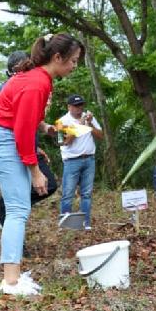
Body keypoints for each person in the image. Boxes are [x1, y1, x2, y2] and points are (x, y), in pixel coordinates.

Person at [0, 33, 84, 296]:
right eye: (72, 61)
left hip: (3, 135)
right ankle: (11, 282)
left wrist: (49, 129)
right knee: (17, 209)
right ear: (57, 57)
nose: (74, 66)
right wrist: (35, 171)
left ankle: (12, 277)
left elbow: (27, 117)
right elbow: (22, 131)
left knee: (19, 207)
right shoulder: (38, 82)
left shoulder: (39, 79)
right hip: (2, 137)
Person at [0, 51, 58, 229]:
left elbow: (29, 121)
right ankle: (3, 207)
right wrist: (34, 168)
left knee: (26, 199)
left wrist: (39, 140)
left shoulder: (33, 83)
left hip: (24, 145)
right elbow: (19, 125)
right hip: (11, 145)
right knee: (18, 204)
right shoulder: (16, 85)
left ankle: (6, 211)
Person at [58, 94, 103, 230]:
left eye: (81, 105)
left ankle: (85, 223)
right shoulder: (62, 121)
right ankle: (65, 225)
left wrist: (89, 124)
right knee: (68, 194)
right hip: (72, 161)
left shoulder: (89, 117)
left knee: (87, 193)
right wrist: (78, 126)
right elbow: (63, 142)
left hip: (89, 159)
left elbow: (100, 135)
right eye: (76, 106)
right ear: (69, 107)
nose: (79, 108)